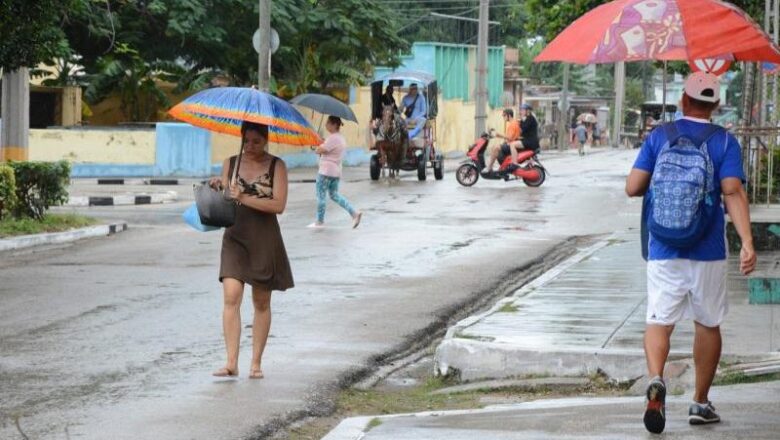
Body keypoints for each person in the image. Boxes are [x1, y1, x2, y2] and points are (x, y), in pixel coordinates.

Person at [625, 72, 756, 434]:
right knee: (708, 323)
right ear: (715, 104)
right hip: (708, 250)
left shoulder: (659, 136)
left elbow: (632, 187)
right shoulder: (724, 141)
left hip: (664, 246)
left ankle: (656, 378)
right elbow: (733, 191)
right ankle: (700, 401)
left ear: (684, 100)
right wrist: (747, 241)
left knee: (658, 320)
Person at [208, 121, 294, 379]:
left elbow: (279, 205)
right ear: (242, 138)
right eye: (247, 141)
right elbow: (225, 197)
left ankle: (255, 363)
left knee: (261, 301)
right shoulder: (230, 163)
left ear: (265, 140)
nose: (251, 146)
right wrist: (218, 187)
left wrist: (244, 197)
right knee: (231, 297)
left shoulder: (276, 166)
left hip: (264, 239)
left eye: (256, 142)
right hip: (234, 237)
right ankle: (231, 362)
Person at [309, 116, 362, 229]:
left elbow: (320, 150)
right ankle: (354, 213)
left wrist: (317, 146)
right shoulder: (340, 138)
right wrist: (322, 143)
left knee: (321, 196)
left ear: (334, 125)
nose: (326, 125)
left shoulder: (333, 138)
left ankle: (319, 221)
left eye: (328, 123)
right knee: (334, 195)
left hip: (325, 172)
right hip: (335, 172)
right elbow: (328, 148)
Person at [483, 108, 521, 175]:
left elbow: (509, 138)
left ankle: (489, 167)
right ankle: (500, 166)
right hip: (511, 144)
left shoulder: (513, 124)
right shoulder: (512, 123)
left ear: (509, 115)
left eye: (504, 115)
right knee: (495, 147)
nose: (503, 117)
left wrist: (499, 135)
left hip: (512, 145)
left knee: (495, 148)